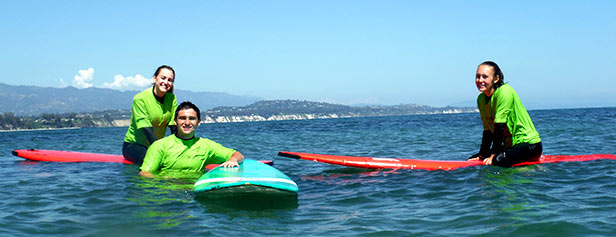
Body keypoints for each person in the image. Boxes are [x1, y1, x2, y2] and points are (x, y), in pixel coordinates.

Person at [139, 101, 244, 177]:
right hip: (168, 195)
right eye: (182, 118)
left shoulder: (206, 146)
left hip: (195, 193)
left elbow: (238, 155)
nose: (187, 122)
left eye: (192, 118)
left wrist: (233, 160)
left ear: (198, 122)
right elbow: (144, 173)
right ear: (175, 121)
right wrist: (166, 182)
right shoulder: (159, 146)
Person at [467, 61, 542, 167]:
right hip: (510, 147)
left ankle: (523, 174)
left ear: (496, 78)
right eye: (478, 77)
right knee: (472, 159)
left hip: (530, 145)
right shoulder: (481, 99)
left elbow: (499, 126)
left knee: (498, 160)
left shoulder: (505, 92)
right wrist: (482, 154)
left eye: (485, 77)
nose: (480, 80)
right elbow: (488, 131)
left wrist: (493, 155)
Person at [123, 65, 178, 165]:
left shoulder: (172, 99)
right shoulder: (140, 99)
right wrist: (160, 151)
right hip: (133, 145)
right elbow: (147, 130)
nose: (166, 82)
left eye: (170, 80)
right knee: (151, 162)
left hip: (156, 146)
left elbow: (174, 127)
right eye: (163, 78)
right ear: (154, 78)